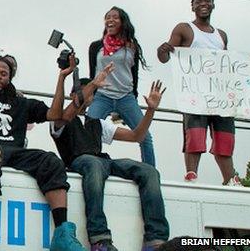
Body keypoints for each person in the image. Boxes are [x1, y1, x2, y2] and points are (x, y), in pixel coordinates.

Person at [0, 46, 113, 250]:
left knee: (51, 161)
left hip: (15, 152)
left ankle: (62, 232)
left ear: (10, 78)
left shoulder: (21, 103)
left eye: (4, 74)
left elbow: (59, 115)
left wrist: (62, 78)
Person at [157, 0, 250, 185]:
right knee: (195, 135)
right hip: (195, 94)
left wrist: (248, 61)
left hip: (221, 95)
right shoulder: (184, 28)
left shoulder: (221, 35)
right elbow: (165, 57)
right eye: (198, 1)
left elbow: (226, 63)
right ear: (193, 6)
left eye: (207, 1)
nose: (203, 4)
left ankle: (229, 178)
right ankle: (191, 174)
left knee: (225, 137)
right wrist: (163, 50)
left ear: (213, 5)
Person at [50, 79, 169, 251]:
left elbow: (137, 136)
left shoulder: (97, 122)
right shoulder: (60, 119)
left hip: (103, 161)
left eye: (91, 94)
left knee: (148, 171)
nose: (87, 97)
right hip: (80, 161)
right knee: (93, 164)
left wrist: (150, 110)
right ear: (72, 95)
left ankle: (155, 239)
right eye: (84, 92)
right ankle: (99, 238)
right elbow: (63, 119)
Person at [87, 6, 155, 166]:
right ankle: (91, 165)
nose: (110, 20)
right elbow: (93, 73)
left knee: (145, 137)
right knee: (89, 130)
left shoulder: (131, 47)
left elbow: (134, 74)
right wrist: (90, 94)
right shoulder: (96, 46)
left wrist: (134, 98)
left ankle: (151, 171)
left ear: (123, 22)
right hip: (102, 95)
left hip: (126, 97)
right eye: (107, 17)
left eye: (115, 17)